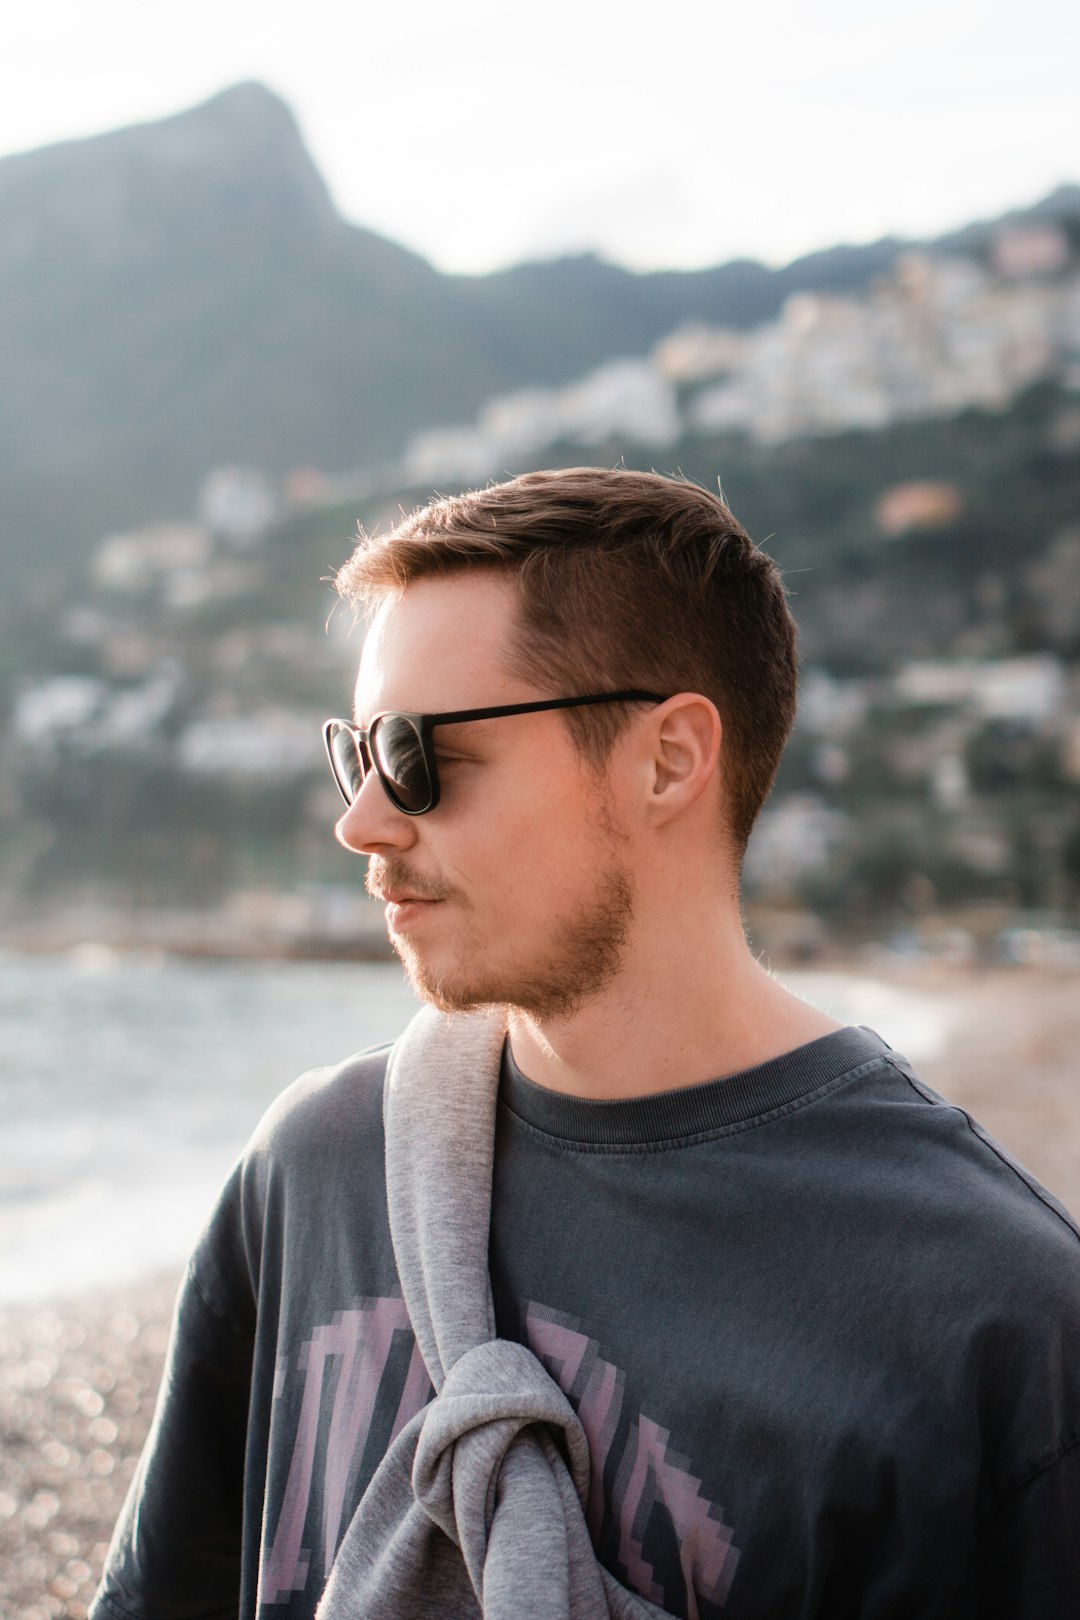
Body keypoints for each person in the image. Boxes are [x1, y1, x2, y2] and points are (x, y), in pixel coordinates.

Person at [91, 468, 1080, 1620]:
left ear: (668, 759)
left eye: (416, 754)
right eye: (355, 753)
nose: (361, 821)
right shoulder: (314, 1170)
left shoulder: (993, 1320)